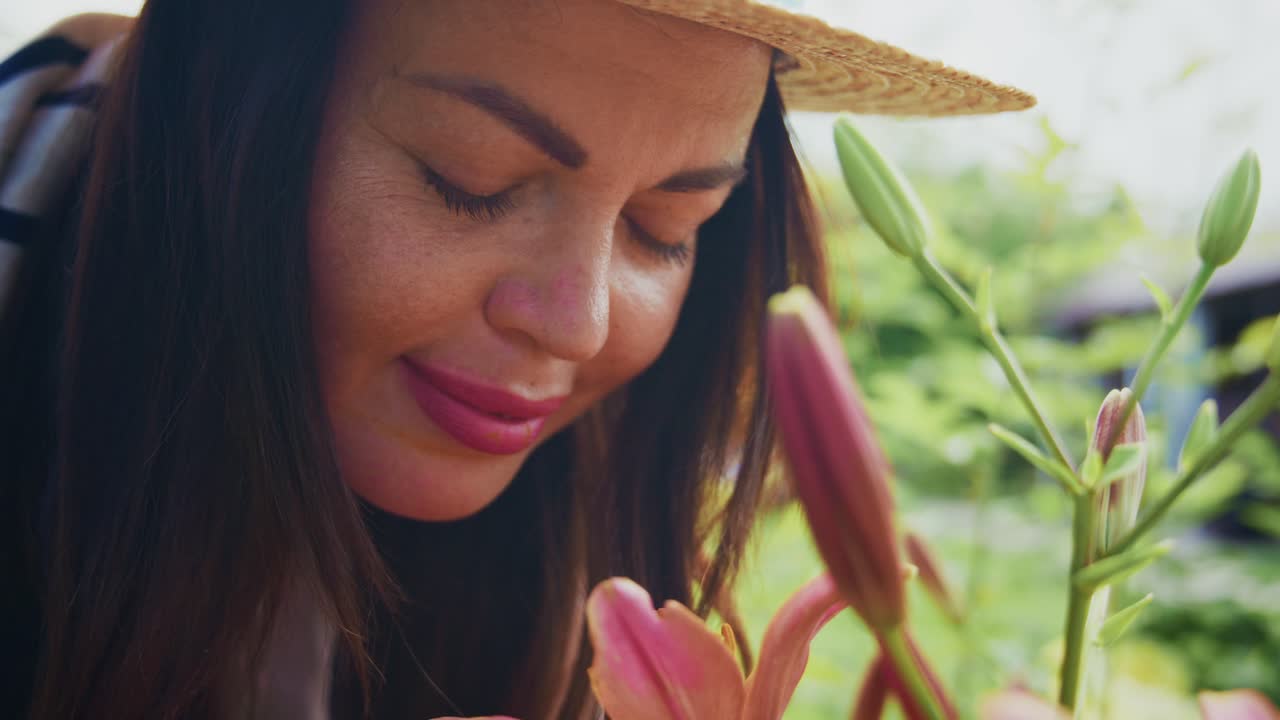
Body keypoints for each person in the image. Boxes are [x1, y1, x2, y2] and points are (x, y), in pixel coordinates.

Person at [0, 0, 1032, 717]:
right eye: (469, 178)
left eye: (665, 227)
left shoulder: (560, 566)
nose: (575, 325)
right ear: (224, 111)